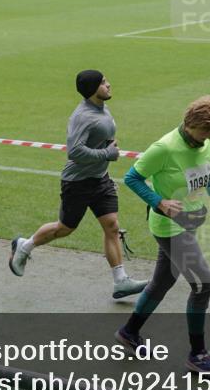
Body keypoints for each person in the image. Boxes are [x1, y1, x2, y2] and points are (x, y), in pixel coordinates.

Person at [115, 95, 210, 373]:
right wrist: (158, 201)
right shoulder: (164, 148)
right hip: (169, 227)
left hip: (189, 223)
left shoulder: (205, 145)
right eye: (206, 130)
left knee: (161, 284)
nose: (209, 136)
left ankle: (129, 332)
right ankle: (197, 355)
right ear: (190, 124)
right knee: (203, 286)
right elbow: (132, 178)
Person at [9, 70, 147, 300]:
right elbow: (74, 151)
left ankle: (120, 281)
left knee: (111, 226)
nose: (108, 85)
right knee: (64, 228)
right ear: (93, 89)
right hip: (77, 183)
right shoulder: (83, 116)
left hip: (100, 179)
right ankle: (24, 246)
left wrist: (107, 153)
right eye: (103, 82)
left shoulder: (101, 108)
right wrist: (107, 153)